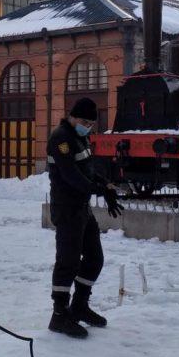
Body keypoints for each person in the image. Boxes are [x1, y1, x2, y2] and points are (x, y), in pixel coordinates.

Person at [47, 97, 124, 338]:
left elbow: (88, 169)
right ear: (72, 116)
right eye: (83, 121)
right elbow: (71, 175)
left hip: (82, 207)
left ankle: (79, 306)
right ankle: (59, 315)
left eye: (91, 123)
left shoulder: (80, 137)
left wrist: (106, 185)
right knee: (67, 261)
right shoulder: (61, 138)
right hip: (67, 208)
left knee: (94, 258)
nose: (87, 126)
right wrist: (98, 189)